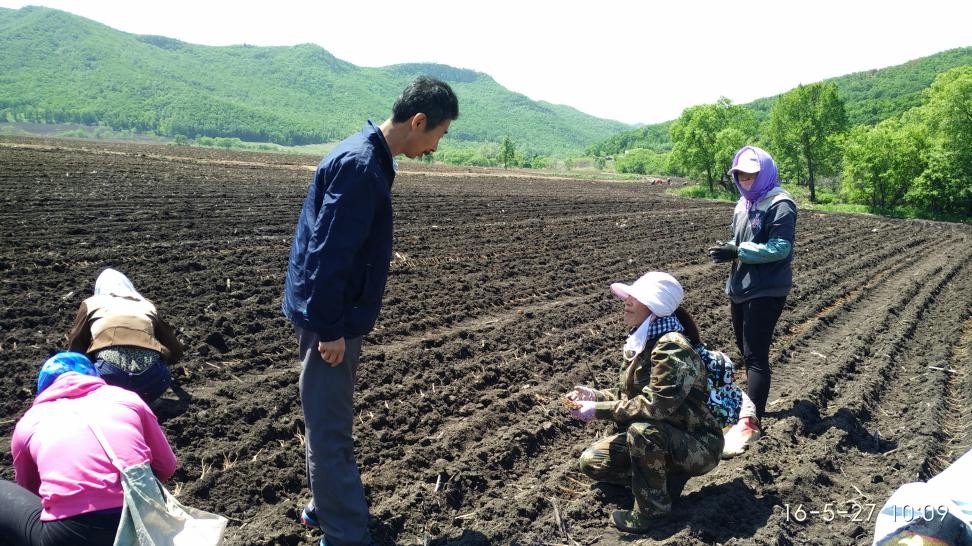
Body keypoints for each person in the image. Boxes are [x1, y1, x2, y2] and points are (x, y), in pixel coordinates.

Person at [282, 75, 459, 546]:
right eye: (438, 135)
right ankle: (344, 534)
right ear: (418, 121)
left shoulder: (368, 156)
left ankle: (326, 507)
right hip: (329, 319)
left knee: (328, 420)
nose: (435, 147)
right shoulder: (362, 167)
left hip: (330, 313)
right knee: (330, 430)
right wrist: (330, 329)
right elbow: (328, 255)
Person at [564, 272, 724, 534]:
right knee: (591, 462)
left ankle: (652, 512)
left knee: (642, 432)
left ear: (655, 306)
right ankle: (659, 482)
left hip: (696, 442)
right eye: (629, 296)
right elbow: (628, 396)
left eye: (636, 298)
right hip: (667, 434)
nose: (627, 301)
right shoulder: (644, 340)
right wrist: (594, 397)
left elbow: (656, 405)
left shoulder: (671, 347)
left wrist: (598, 411)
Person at [0, 352, 177, 546]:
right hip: (145, 521)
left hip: (72, 533)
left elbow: (29, 490)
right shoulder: (127, 398)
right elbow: (166, 466)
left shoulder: (29, 421)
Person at [707, 145, 797, 455]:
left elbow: (780, 247)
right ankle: (748, 411)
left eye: (751, 176)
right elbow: (740, 239)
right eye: (741, 176)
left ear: (764, 174)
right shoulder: (743, 203)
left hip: (766, 287)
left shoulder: (780, 204)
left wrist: (739, 251)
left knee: (755, 354)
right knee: (745, 352)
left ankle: (751, 422)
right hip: (741, 285)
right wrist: (729, 248)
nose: (745, 181)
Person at [66, 267, 182, 404]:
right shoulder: (147, 305)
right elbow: (171, 344)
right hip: (153, 379)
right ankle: (145, 402)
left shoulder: (91, 303)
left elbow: (77, 344)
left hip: (109, 377)